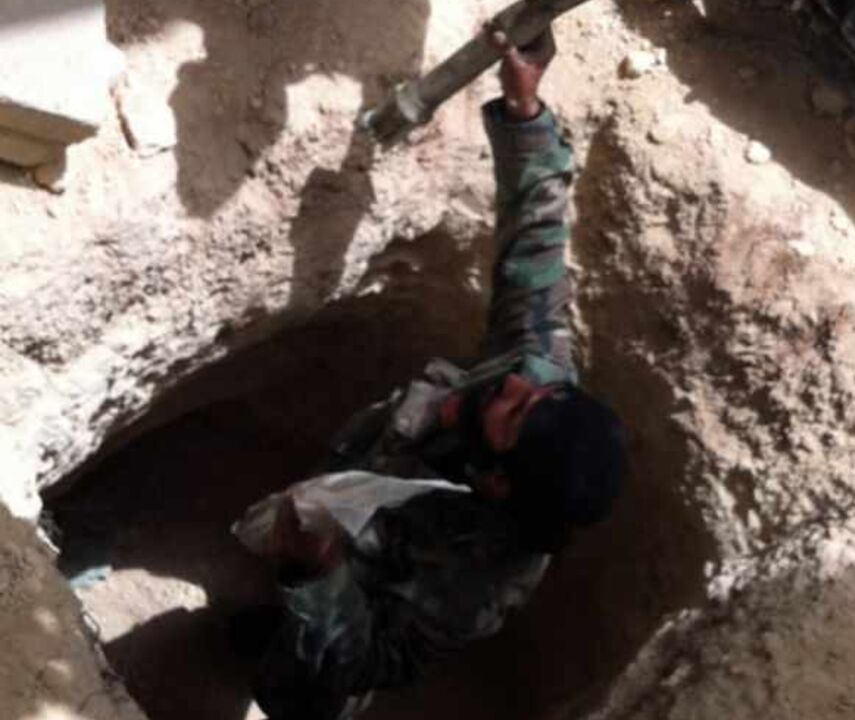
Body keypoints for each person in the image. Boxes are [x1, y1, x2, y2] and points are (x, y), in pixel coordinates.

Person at [232, 27, 626, 720]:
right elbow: (535, 238)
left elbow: (378, 657)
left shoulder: (480, 578)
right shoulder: (536, 370)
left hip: (354, 598)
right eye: (536, 388)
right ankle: (270, 618)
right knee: (279, 602)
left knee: (303, 684)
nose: (510, 386)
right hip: (354, 494)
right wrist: (526, 113)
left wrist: (318, 575)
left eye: (516, 413)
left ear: (500, 481)